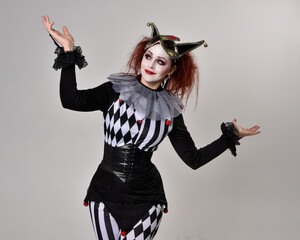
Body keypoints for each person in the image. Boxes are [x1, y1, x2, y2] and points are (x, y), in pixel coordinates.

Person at [42, 16, 260, 240]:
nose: (150, 65)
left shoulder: (171, 111)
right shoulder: (114, 91)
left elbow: (193, 159)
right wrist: (68, 51)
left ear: (171, 70)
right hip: (104, 194)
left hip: (146, 199)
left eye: (160, 61)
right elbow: (71, 100)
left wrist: (230, 137)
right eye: (148, 57)